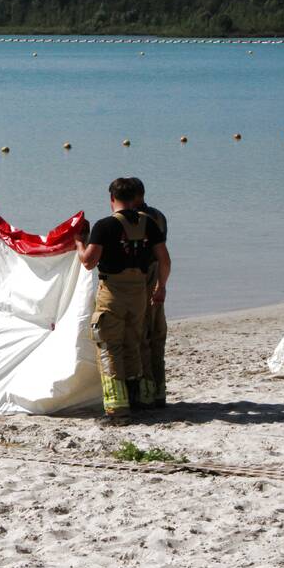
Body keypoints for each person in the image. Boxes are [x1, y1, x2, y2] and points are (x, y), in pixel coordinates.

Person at [75, 177, 170, 417]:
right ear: (137, 197)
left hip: (113, 291)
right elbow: (165, 260)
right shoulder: (150, 223)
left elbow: (88, 261)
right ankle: (143, 397)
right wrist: (161, 287)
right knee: (135, 343)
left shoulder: (105, 226)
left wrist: (79, 242)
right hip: (139, 290)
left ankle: (117, 405)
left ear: (111, 199)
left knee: (109, 345)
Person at [135, 180, 169, 408]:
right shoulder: (158, 215)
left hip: (144, 278)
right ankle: (158, 392)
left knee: (142, 339)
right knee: (156, 337)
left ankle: (145, 393)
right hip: (157, 277)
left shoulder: (138, 220)